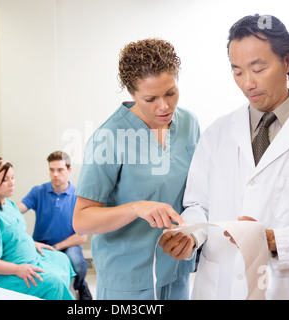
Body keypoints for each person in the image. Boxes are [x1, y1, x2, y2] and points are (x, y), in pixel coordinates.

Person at [160, 14, 289, 299]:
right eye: (237, 71)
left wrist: (275, 240)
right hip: (217, 287)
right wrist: (190, 234)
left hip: (282, 287)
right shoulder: (217, 133)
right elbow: (198, 205)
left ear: (286, 62)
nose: (247, 84)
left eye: (258, 68)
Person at [73, 38, 200, 300]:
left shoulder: (188, 123)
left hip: (176, 267)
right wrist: (135, 207)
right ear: (132, 94)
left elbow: (197, 193)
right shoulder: (108, 137)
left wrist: (194, 234)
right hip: (128, 279)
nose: (164, 106)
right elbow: (81, 220)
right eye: (150, 98)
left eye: (171, 92)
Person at [0, 157, 75, 300]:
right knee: (53, 283)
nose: (12, 183)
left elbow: (12, 232)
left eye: (13, 177)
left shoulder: (7, 204)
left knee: (61, 259)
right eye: (5, 180)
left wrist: (31, 243)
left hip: (21, 259)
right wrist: (17, 269)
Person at [18, 151, 92, 300]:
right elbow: (17, 210)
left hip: (69, 245)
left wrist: (57, 247)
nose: (55, 174)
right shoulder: (38, 191)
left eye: (60, 170)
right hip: (41, 243)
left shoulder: (78, 196)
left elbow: (82, 236)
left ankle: (81, 285)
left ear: (69, 170)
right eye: (52, 170)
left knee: (79, 264)